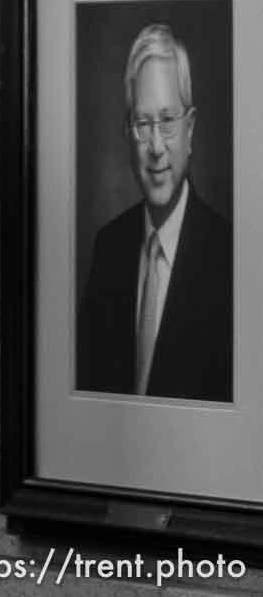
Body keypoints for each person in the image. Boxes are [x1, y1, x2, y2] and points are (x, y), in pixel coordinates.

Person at [75, 24, 232, 401]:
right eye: (143, 124)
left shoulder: (230, 258)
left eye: (167, 121)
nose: (156, 146)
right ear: (128, 132)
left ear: (190, 129)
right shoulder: (109, 247)